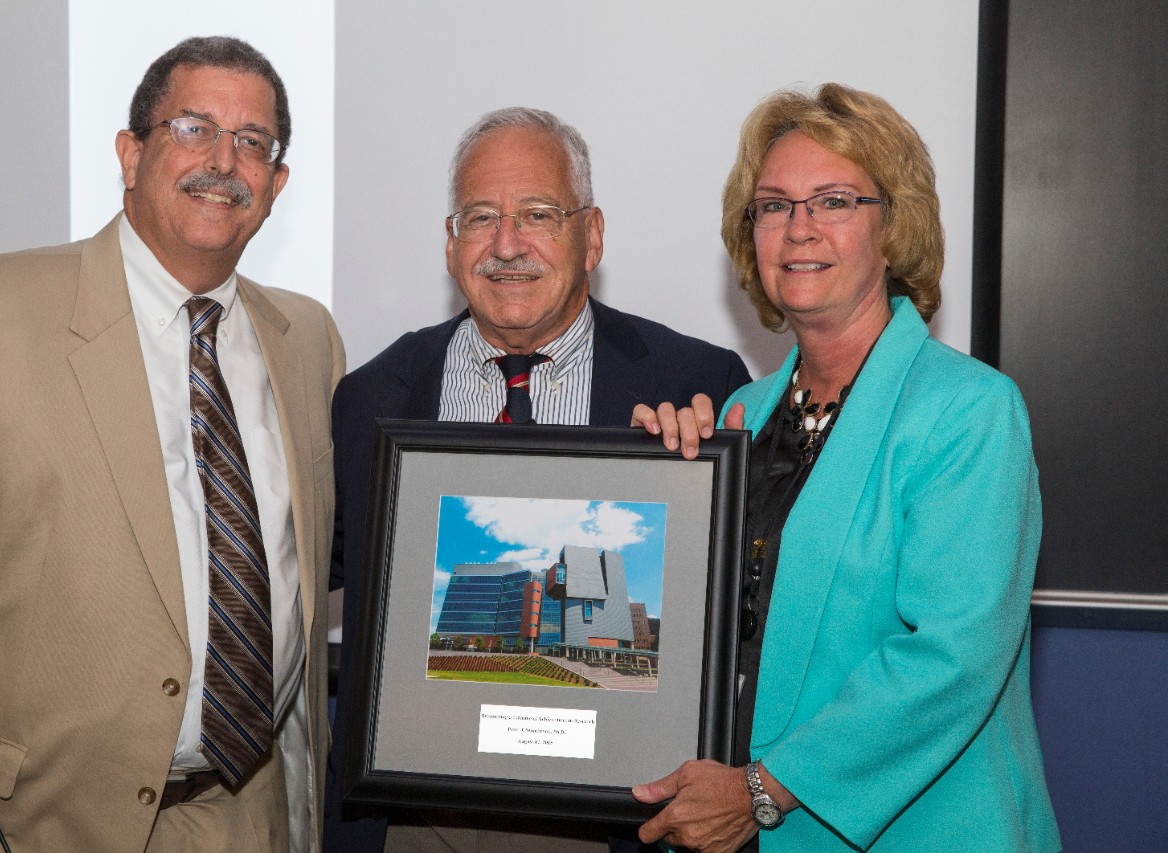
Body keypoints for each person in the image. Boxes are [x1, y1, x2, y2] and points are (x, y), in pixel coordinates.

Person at [0, 37, 343, 853]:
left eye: (253, 143)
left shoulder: (307, 338)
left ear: (276, 186)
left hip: (257, 814)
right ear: (131, 154)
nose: (224, 161)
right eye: (194, 128)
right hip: (31, 825)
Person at [630, 84, 1062, 852]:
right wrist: (656, 490)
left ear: (893, 230)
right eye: (773, 205)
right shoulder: (740, 415)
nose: (799, 229)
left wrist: (761, 789)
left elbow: (949, 657)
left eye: (833, 200)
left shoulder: (969, 412)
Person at [324, 107, 752, 853]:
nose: (507, 244)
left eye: (538, 214)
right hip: (413, 816)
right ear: (450, 242)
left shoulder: (696, 385)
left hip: (620, 818)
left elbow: (736, 619)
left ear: (592, 235)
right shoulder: (371, 398)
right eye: (481, 216)